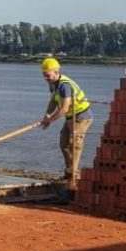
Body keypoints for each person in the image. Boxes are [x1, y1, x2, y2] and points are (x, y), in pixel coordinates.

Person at [39, 57, 92, 188]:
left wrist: (50, 120)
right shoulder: (53, 85)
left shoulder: (64, 86)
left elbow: (64, 108)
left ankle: (73, 177)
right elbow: (53, 101)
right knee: (64, 143)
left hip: (81, 116)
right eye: (44, 76)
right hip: (70, 117)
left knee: (75, 144)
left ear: (56, 72)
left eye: (48, 75)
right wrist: (47, 114)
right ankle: (69, 172)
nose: (46, 78)